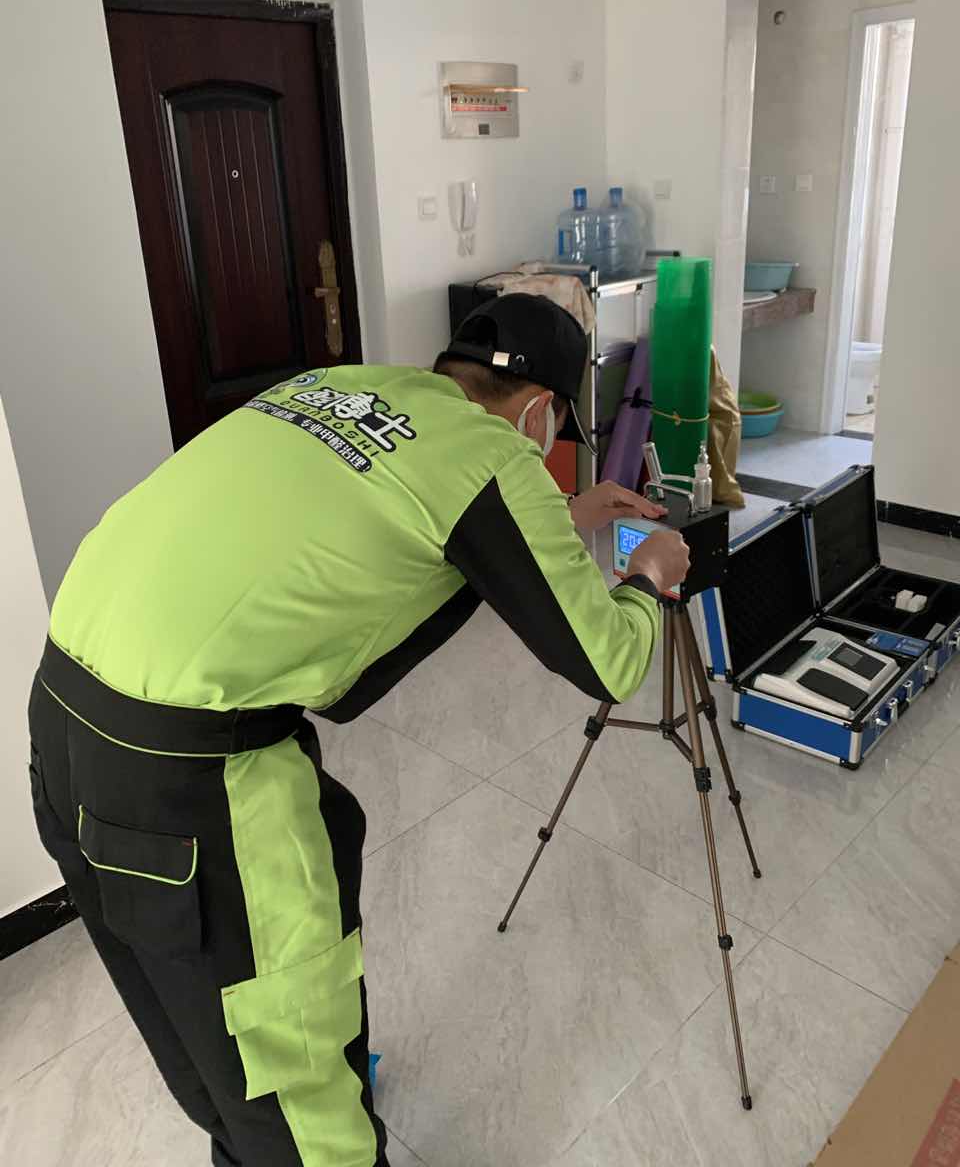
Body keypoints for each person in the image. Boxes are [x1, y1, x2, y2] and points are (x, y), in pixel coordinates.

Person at [28, 292, 689, 1166]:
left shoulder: (333, 385)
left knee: (204, 1030)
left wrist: (565, 517)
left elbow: (410, 524)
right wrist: (648, 574)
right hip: (192, 782)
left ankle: (282, 1104)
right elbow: (608, 661)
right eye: (558, 430)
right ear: (540, 413)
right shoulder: (495, 452)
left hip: (64, 713)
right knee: (295, 1101)